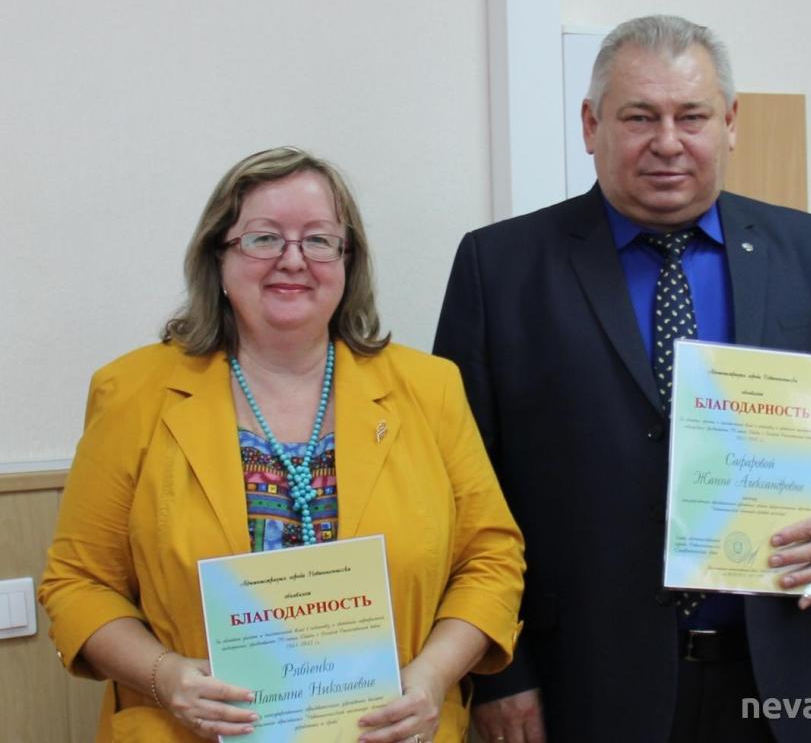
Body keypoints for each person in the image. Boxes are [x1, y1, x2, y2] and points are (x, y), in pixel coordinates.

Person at [434, 15, 811, 743]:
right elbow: (457, 481)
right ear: (591, 125)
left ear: (729, 123)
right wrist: (500, 670)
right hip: (583, 686)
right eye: (639, 117)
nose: (668, 142)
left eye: (691, 116)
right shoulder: (501, 268)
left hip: (780, 675)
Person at [39, 146, 524, 743]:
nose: (293, 260)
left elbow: (491, 560)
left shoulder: (429, 388)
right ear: (218, 256)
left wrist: (431, 676)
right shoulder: (133, 393)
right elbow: (78, 583)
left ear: (347, 261)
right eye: (264, 238)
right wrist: (166, 677)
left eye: (319, 240)